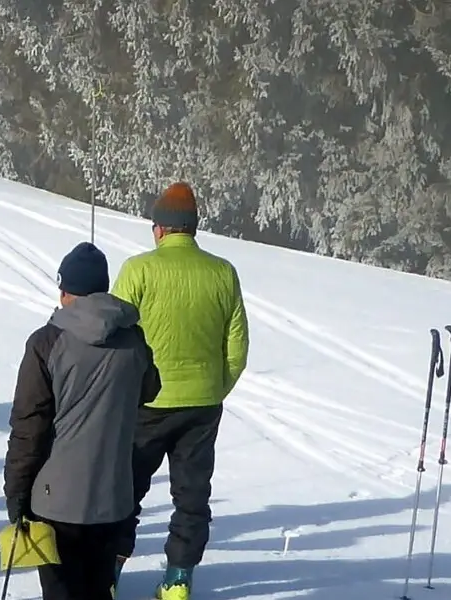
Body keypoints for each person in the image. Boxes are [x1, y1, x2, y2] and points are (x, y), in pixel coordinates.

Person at [108, 182, 249, 599]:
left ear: (161, 229)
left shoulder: (139, 269)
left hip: (146, 402)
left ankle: (109, 572)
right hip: (203, 403)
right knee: (191, 494)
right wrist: (216, 387)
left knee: (125, 490)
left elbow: (112, 332)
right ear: (193, 228)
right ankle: (178, 580)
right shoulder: (223, 272)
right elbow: (237, 345)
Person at [5, 243, 161, 600]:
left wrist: (16, 493)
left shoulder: (47, 341)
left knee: (60, 591)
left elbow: (28, 426)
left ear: (65, 291)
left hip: (54, 499)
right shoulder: (133, 337)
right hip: (113, 495)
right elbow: (150, 389)